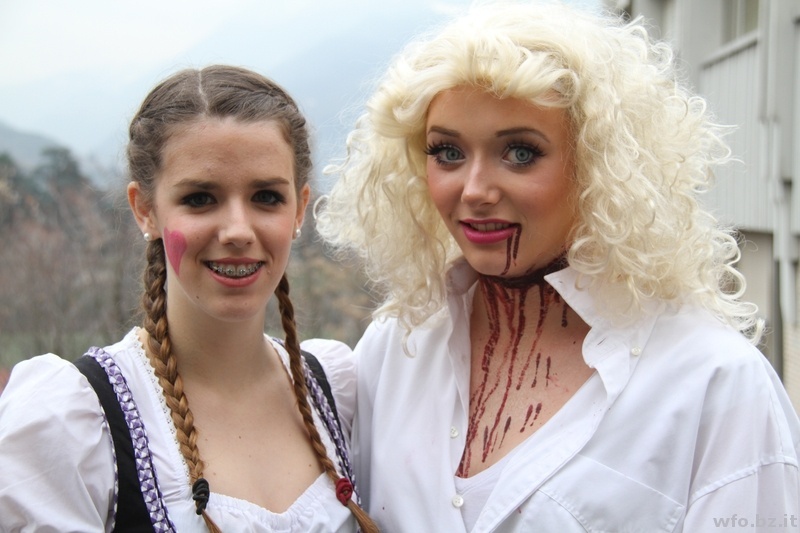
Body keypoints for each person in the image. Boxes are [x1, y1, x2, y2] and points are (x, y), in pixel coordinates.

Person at [315, 2, 800, 531]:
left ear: (599, 164)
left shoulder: (714, 382)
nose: (474, 190)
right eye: (448, 152)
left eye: (520, 153)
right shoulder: (398, 344)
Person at [0, 65, 377, 532]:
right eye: (200, 198)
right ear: (145, 209)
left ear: (300, 208)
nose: (238, 231)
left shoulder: (339, 393)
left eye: (266, 197)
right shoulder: (75, 423)